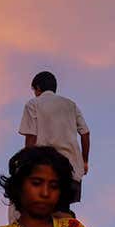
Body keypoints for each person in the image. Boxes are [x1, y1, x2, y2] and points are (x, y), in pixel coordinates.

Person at [16, 71, 89, 218]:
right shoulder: (70, 105)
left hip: (46, 169)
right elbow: (85, 134)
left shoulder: (33, 104)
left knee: (43, 211)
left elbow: (31, 137)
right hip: (73, 169)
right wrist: (84, 161)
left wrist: (25, 164)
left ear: (37, 88)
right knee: (62, 207)